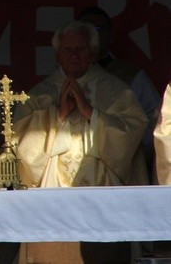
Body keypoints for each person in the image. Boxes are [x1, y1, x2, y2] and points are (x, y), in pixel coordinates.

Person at [14, 21, 148, 264]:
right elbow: (21, 143)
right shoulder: (39, 94)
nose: (74, 55)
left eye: (81, 49)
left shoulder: (116, 91)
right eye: (67, 50)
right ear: (57, 54)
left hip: (103, 197)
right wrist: (58, 116)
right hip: (51, 195)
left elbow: (132, 131)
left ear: (94, 53)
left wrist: (91, 114)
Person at [77, 6, 161, 181]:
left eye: (98, 29)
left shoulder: (132, 77)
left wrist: (124, 145)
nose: (91, 34)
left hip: (122, 169)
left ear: (110, 35)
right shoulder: (64, 80)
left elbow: (154, 124)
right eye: (85, 29)